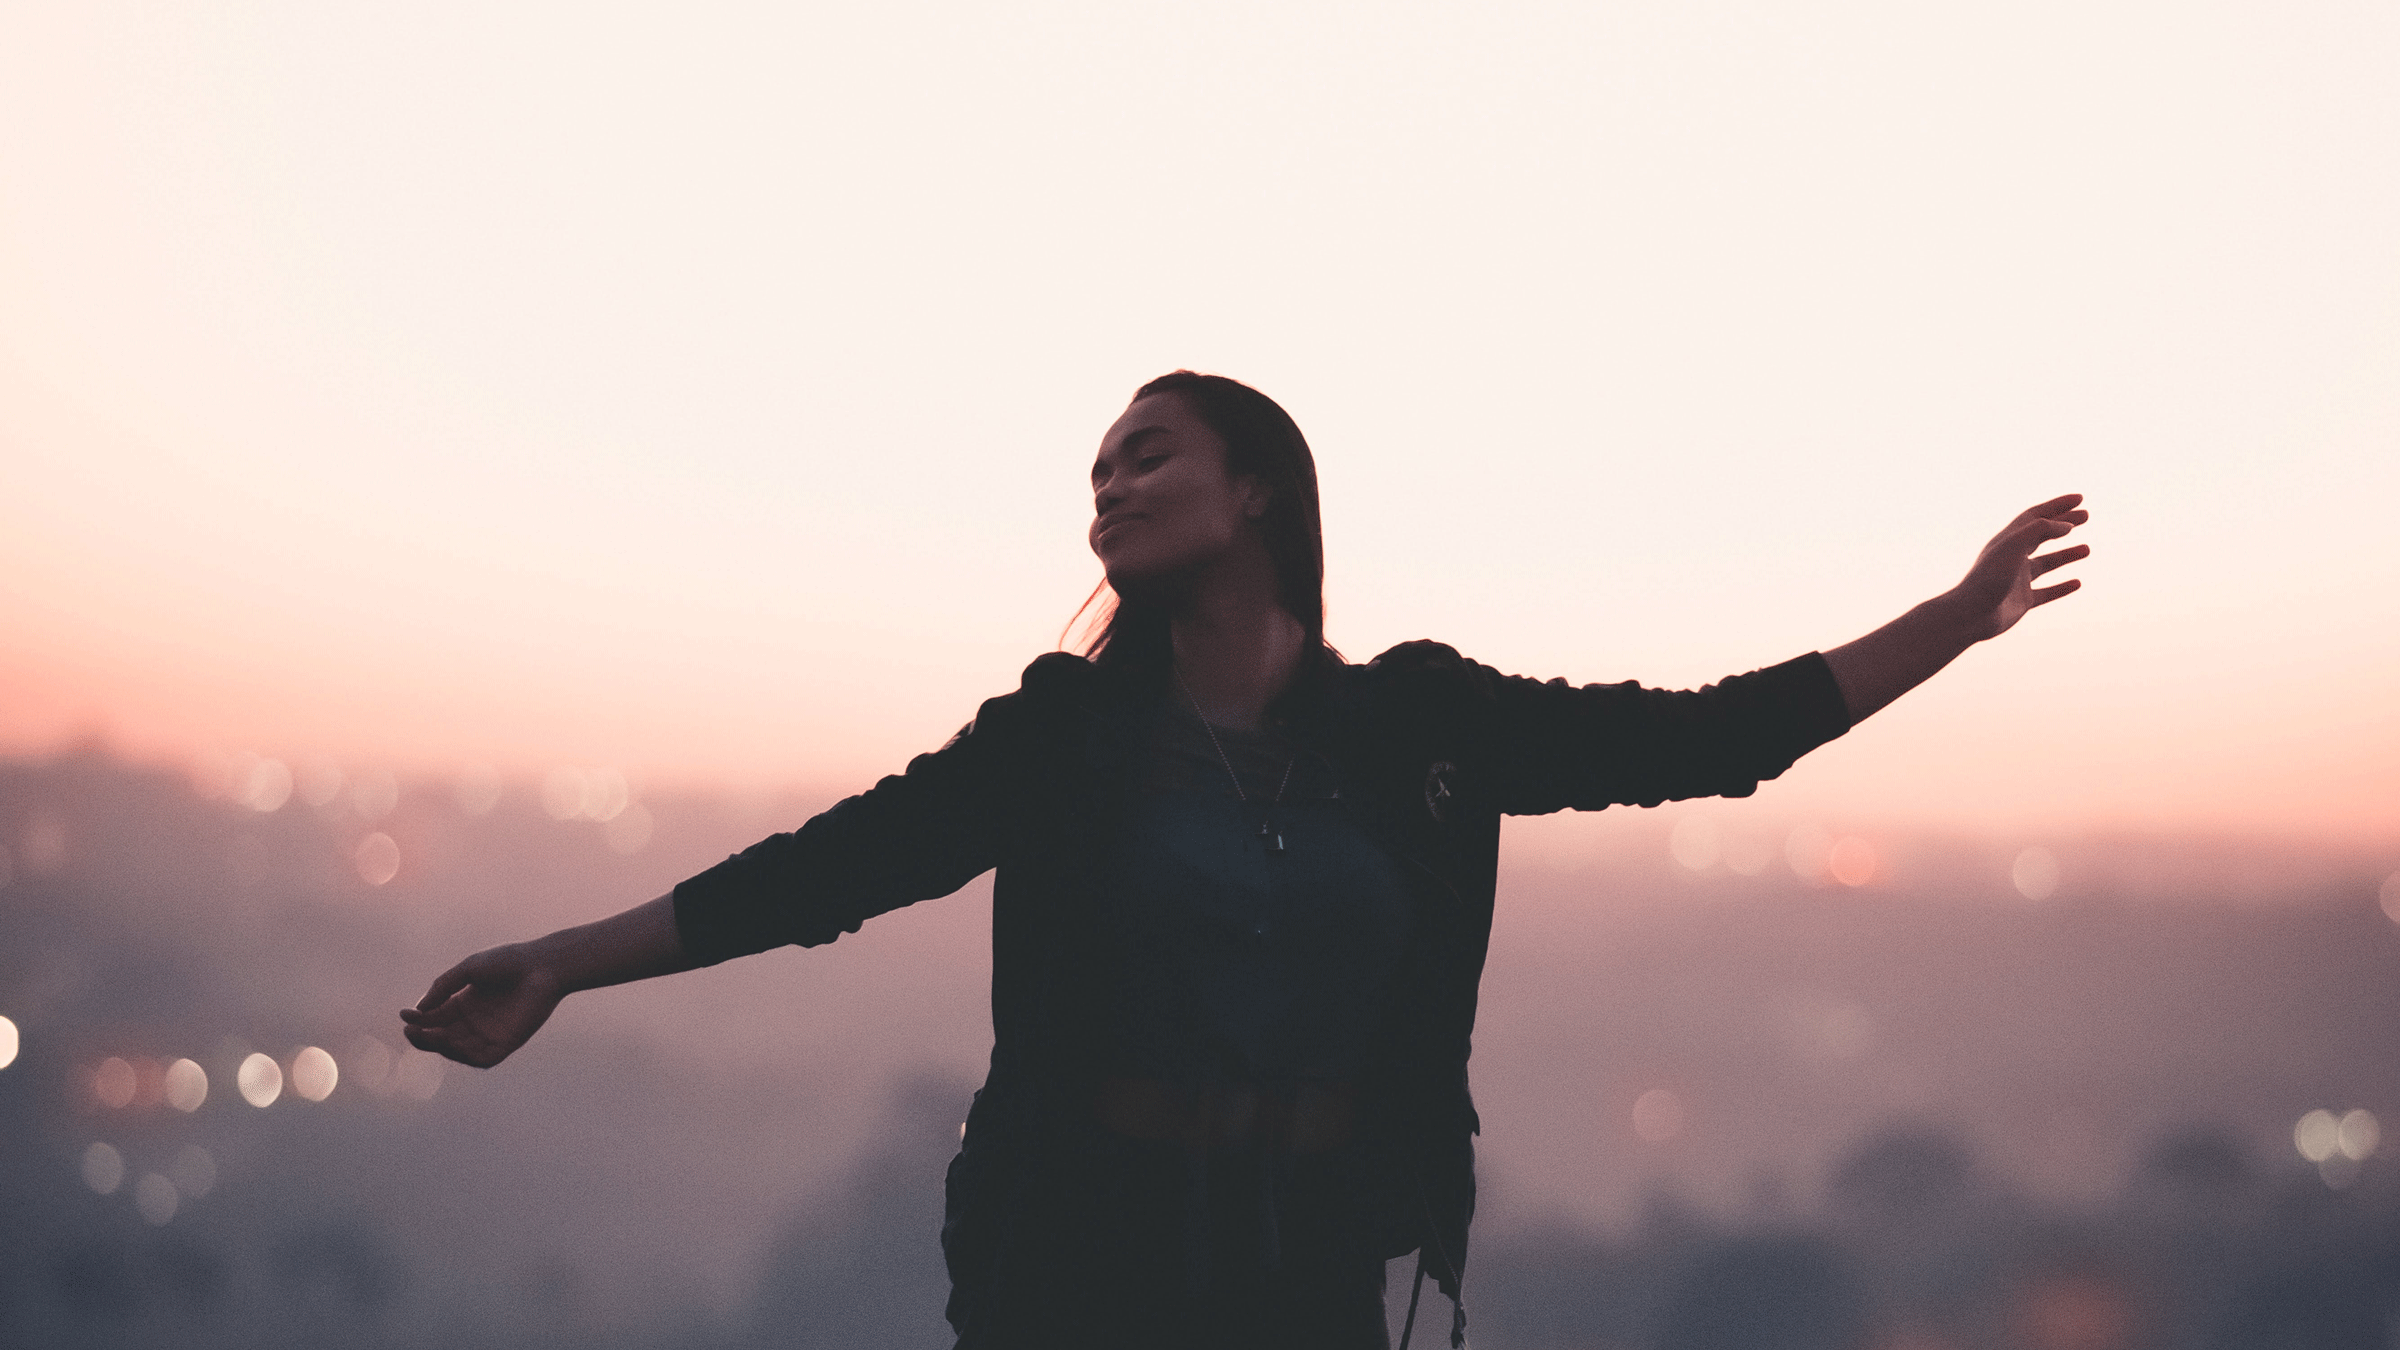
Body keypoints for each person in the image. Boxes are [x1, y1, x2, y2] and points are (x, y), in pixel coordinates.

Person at [401, 371, 2089, 1349]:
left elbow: (1707, 739)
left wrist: (1954, 618)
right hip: (1074, 1264)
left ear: (1260, 489)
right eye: (1093, 475)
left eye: (1145, 454)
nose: (1105, 494)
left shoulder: (1423, 724)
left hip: (1303, 1275)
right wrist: (562, 957)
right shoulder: (1065, 733)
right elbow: (830, 866)